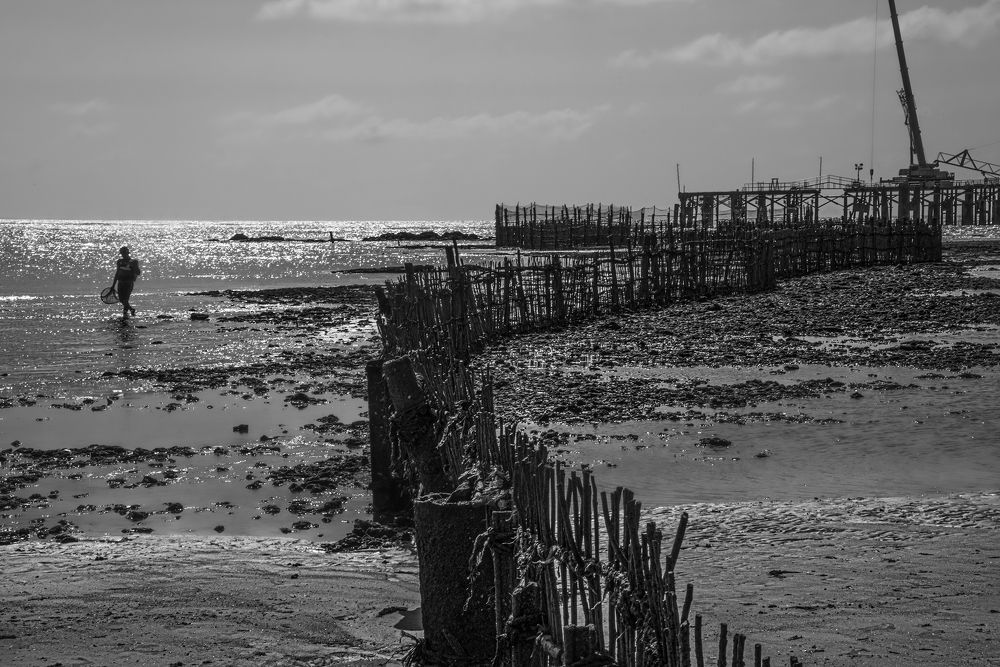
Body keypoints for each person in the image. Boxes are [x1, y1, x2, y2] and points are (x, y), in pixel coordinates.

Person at [111, 246, 141, 318]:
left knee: (125, 299)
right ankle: (129, 311)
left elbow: (138, 272)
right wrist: (113, 285)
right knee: (121, 299)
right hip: (120, 282)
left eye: (125, 252)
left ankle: (126, 314)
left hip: (128, 283)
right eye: (122, 253)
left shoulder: (134, 262)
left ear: (128, 253)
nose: (123, 254)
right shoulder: (119, 261)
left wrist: (133, 267)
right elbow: (117, 273)